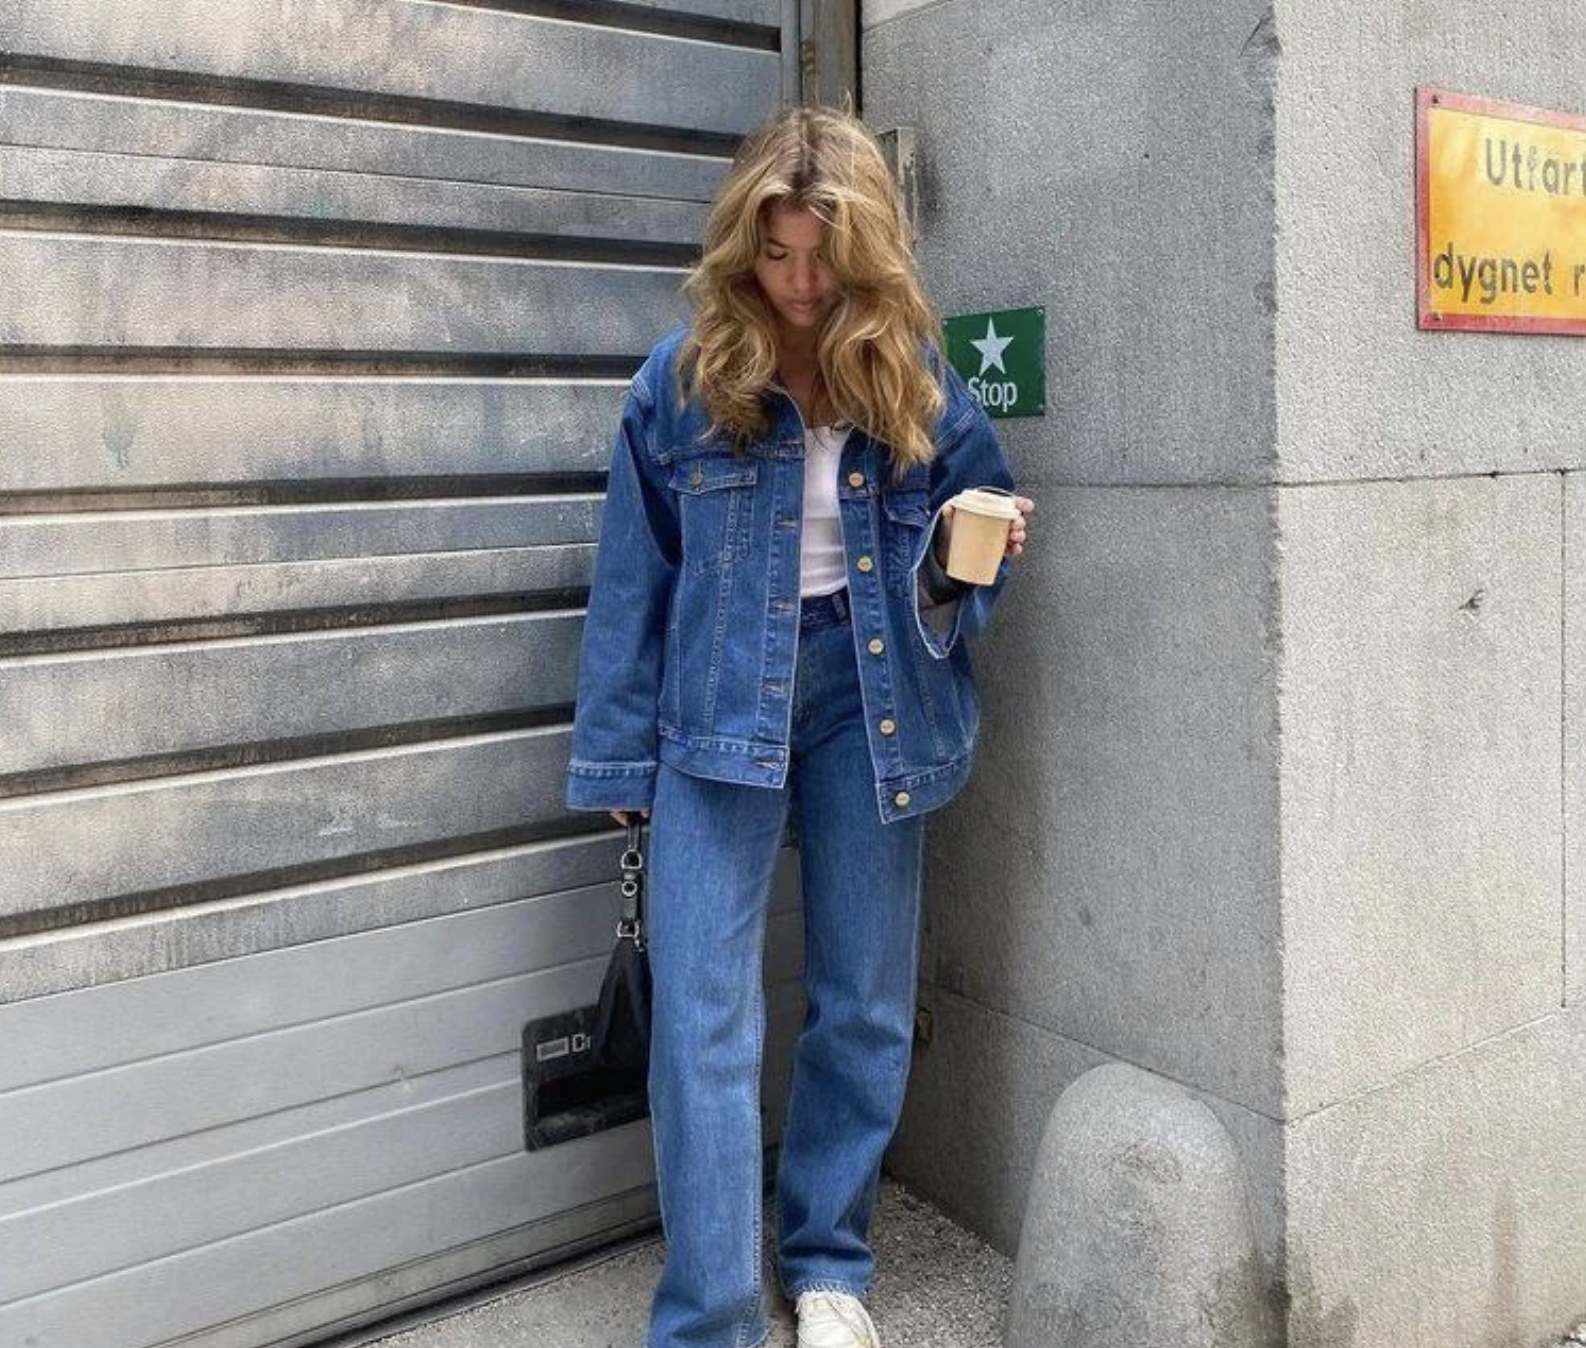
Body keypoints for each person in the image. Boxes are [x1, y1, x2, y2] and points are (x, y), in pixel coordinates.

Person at [566, 104, 1032, 1348]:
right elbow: (632, 576)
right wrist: (619, 758)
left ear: (865, 244)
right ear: (741, 247)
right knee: (703, 1022)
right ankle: (712, 1312)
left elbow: (967, 543)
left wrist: (962, 560)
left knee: (863, 1001)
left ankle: (827, 1258)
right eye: (775, 254)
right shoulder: (681, 379)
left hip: (871, 701)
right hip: (716, 703)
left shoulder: (910, 371)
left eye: (823, 254)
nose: (801, 283)